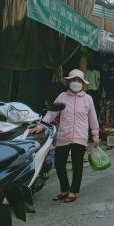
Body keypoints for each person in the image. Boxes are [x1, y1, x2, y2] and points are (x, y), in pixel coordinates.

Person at [37, 69, 99, 203]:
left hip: (80, 136)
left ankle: (73, 191)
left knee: (77, 164)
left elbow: (93, 118)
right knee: (59, 163)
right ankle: (64, 189)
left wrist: (95, 134)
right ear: (68, 81)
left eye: (78, 80)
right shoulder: (62, 97)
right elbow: (51, 113)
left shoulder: (88, 99)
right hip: (64, 135)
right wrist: (40, 125)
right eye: (73, 80)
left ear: (83, 83)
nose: (76, 82)